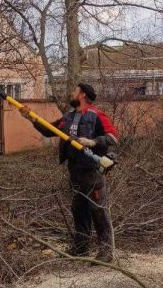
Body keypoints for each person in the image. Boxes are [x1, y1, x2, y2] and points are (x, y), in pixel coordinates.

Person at [20, 83, 118, 262]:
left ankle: (106, 251)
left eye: (74, 91)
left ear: (82, 95)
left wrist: (92, 142)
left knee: (97, 210)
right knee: (78, 209)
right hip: (75, 171)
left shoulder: (96, 115)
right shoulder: (68, 117)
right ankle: (81, 248)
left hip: (92, 172)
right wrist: (31, 118)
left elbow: (112, 137)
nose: (71, 93)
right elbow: (50, 130)